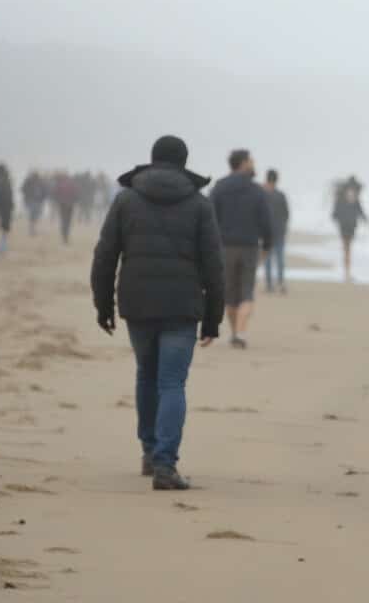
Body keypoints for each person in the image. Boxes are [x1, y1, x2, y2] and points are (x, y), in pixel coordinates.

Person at [90, 136, 225, 491]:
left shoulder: (126, 199)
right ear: (183, 163)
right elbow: (214, 266)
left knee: (147, 375)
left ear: (152, 160)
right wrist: (214, 318)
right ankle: (165, 464)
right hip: (182, 307)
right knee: (171, 383)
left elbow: (105, 255)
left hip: (138, 303)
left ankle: (150, 452)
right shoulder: (198, 204)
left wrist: (103, 304)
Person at [210, 149, 272, 348]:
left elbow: (209, 219)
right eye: (251, 161)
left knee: (230, 294)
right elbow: (266, 222)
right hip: (249, 247)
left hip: (224, 247)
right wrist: (268, 245)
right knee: (247, 292)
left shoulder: (219, 187)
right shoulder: (256, 190)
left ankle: (235, 332)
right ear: (243, 163)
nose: (254, 164)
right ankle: (241, 334)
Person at [332, 182, 366, 282]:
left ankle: (347, 271)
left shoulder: (355, 201)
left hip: (352, 227)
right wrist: (340, 219)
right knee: (346, 248)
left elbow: (361, 213)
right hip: (343, 227)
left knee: (348, 248)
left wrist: (367, 221)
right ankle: (346, 271)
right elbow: (334, 214)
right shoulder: (340, 200)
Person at [263, 169, 290, 294]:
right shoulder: (280, 195)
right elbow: (286, 214)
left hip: (268, 233)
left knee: (270, 260)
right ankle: (278, 283)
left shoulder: (262, 194)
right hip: (277, 232)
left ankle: (270, 284)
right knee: (278, 260)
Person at [52, 171, 79, 244]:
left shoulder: (60, 184)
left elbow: (55, 193)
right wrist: (74, 201)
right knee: (68, 221)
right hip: (70, 205)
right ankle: (66, 236)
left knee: (63, 221)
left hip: (62, 204)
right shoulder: (72, 184)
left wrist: (58, 201)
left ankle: (64, 235)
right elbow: (76, 194)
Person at [21, 170, 48, 236]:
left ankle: (32, 228)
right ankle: (32, 229)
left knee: (35, 215)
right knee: (33, 215)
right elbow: (23, 189)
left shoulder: (39, 182)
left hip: (36, 201)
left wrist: (43, 198)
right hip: (32, 201)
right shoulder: (30, 181)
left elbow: (45, 191)